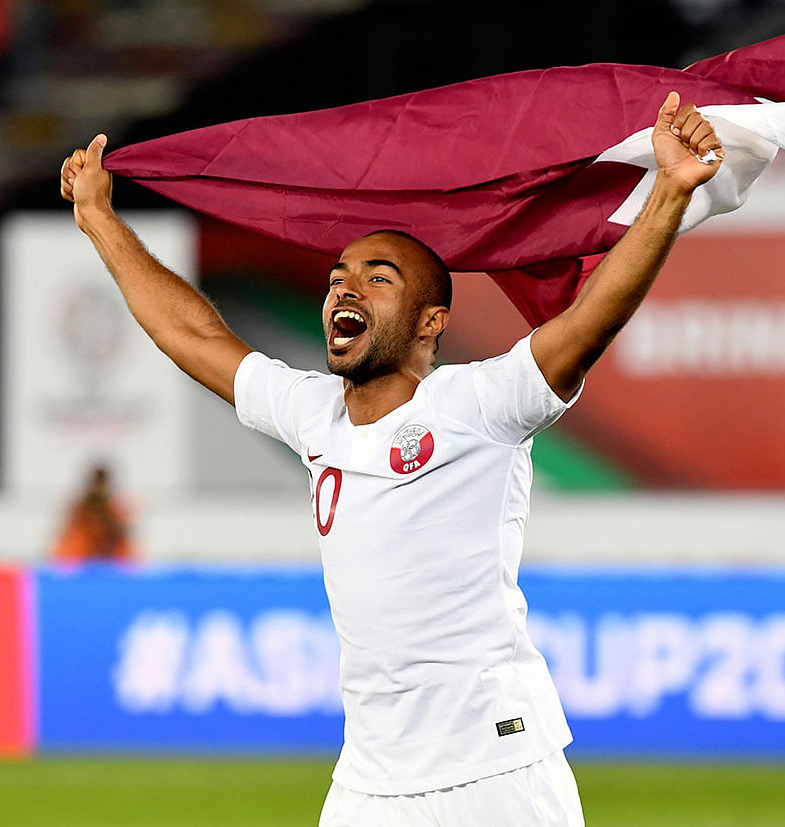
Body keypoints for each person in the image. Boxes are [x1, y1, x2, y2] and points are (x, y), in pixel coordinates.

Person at [59, 91, 723, 826]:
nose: (347, 283)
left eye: (380, 277)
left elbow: (585, 325)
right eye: (340, 272)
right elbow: (194, 335)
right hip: (368, 784)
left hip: (493, 772)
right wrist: (99, 221)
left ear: (431, 321)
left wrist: (667, 192)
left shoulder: (479, 405)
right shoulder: (313, 415)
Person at [51, 463, 134, 563]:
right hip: (82, 560)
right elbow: (65, 553)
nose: (99, 489)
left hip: (109, 561)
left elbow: (127, 557)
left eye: (101, 483)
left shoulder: (114, 509)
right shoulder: (80, 509)